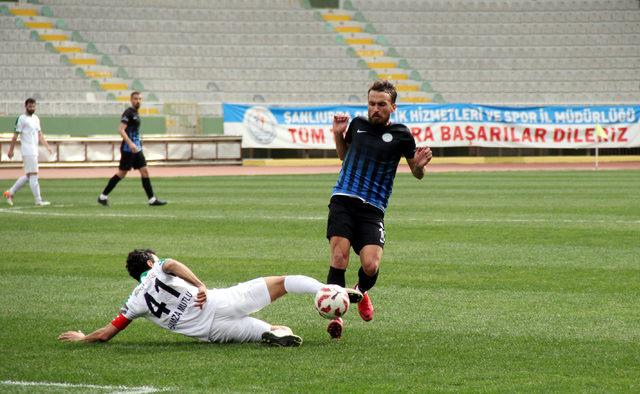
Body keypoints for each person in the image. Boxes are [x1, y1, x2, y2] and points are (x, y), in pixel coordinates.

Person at [58, 249, 363, 347]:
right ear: (149, 262)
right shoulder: (158, 270)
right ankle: (328, 290)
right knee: (283, 282)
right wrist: (200, 284)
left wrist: (82, 338)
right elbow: (172, 264)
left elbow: (107, 332)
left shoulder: (134, 302)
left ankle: (274, 333)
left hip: (212, 333)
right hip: (219, 301)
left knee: (269, 328)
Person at [325, 80, 433, 339]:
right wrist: (337, 134)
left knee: (371, 266)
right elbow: (343, 155)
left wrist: (418, 165)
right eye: (372, 104)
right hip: (343, 198)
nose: (375, 109)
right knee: (339, 258)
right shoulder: (358, 125)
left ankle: (360, 291)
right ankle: (337, 315)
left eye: (381, 105)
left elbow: (417, 173)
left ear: (393, 107)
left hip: (373, 207)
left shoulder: (402, 135)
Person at [97, 91, 166, 206]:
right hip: (128, 149)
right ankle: (102, 196)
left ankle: (152, 199)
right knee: (121, 173)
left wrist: (138, 142)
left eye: (139, 99)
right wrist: (130, 143)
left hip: (137, 149)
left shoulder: (136, 113)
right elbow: (120, 130)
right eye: (135, 98)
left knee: (144, 171)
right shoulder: (128, 113)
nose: (137, 101)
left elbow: (133, 131)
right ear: (131, 100)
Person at [3, 98, 53, 206]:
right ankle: (38, 200)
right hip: (28, 151)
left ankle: (9, 193)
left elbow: (40, 134)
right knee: (34, 175)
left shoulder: (36, 118)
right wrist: (11, 150)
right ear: (25, 106)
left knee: (29, 176)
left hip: (34, 151)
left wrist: (47, 146)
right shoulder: (21, 118)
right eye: (30, 106)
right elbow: (15, 135)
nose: (32, 108)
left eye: (33, 106)